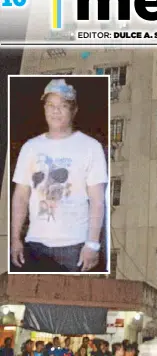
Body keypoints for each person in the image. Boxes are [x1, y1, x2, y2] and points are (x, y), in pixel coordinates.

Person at [11, 78, 108, 273]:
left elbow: (97, 200)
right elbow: (21, 196)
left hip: (74, 247)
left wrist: (92, 244)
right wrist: (15, 239)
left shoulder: (90, 147)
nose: (55, 111)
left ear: (74, 110)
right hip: (35, 245)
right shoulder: (30, 148)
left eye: (62, 106)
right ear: (44, 108)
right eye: (50, 105)